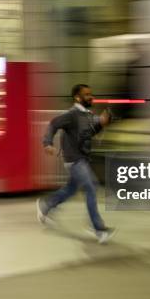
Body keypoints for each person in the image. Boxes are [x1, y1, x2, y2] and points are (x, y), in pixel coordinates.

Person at [37, 84, 115, 243]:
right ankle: (97, 227)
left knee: (70, 190)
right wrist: (47, 143)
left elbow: (89, 133)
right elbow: (54, 124)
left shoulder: (86, 115)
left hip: (82, 159)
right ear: (77, 98)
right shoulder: (72, 115)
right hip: (75, 160)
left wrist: (101, 123)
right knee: (91, 187)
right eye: (87, 94)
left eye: (91, 94)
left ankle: (46, 206)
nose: (91, 97)